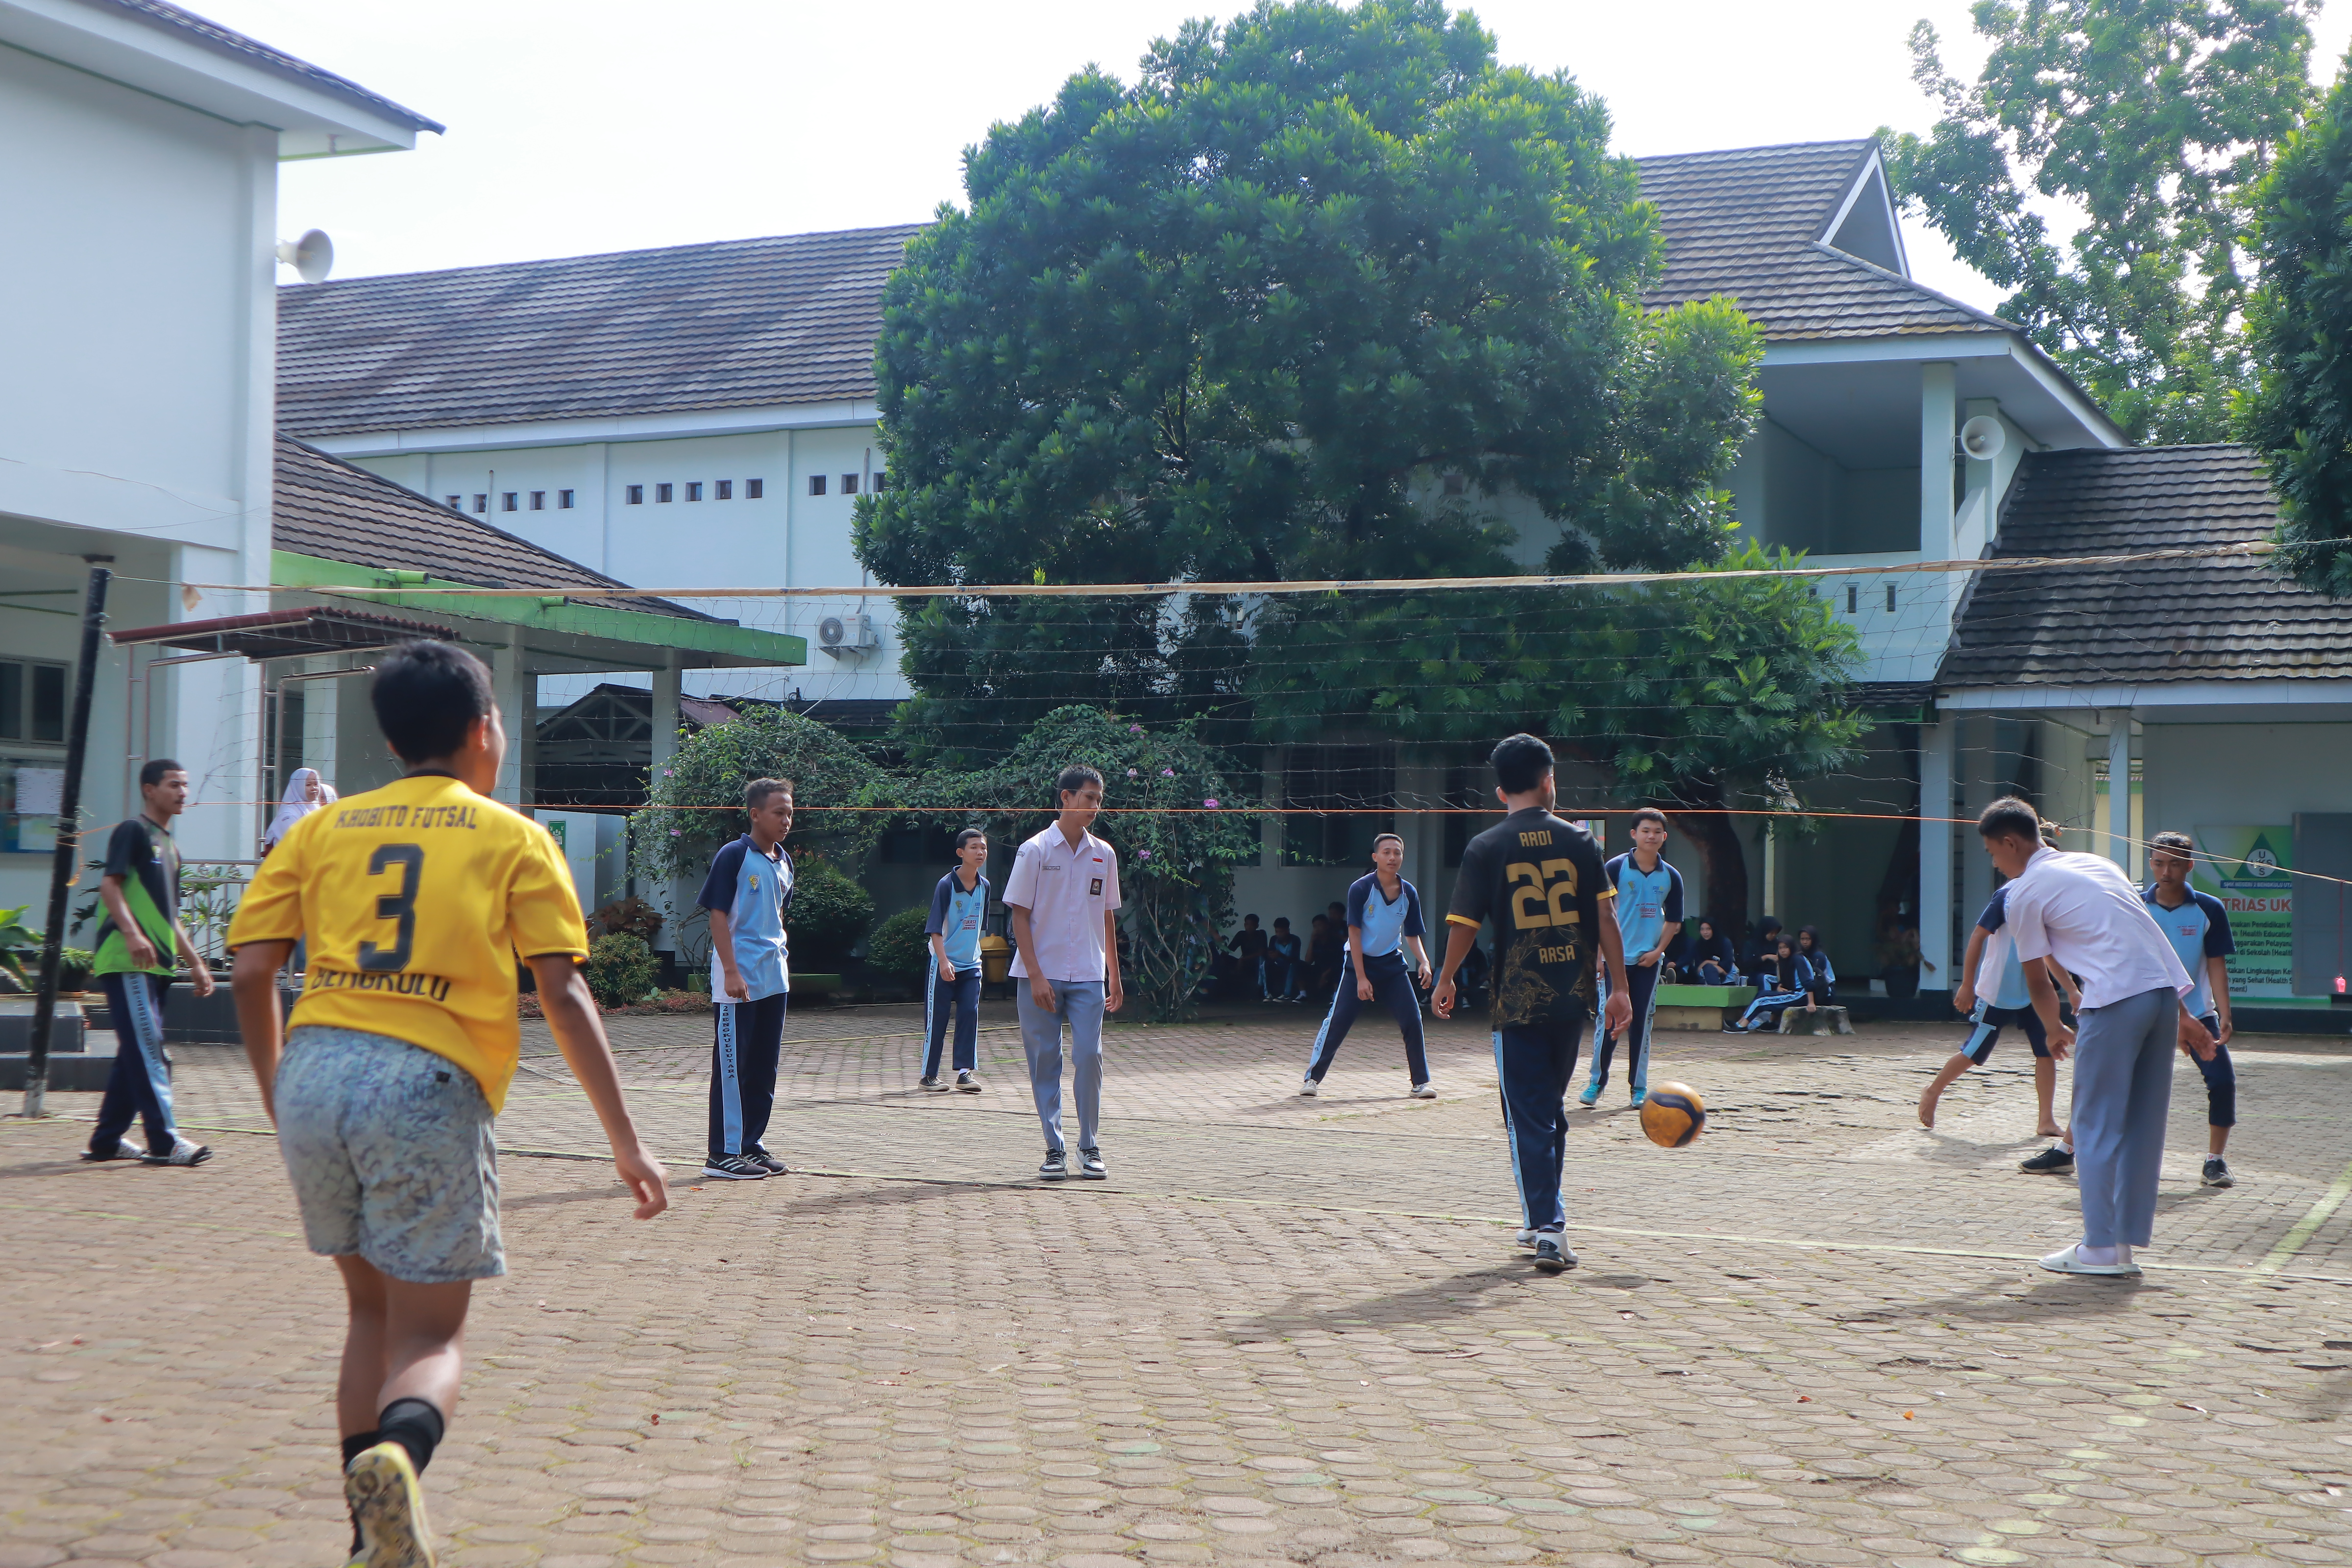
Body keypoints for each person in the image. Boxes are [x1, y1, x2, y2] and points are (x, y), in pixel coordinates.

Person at [225, 640, 667, 1568]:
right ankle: (400, 1456)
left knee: (367, 1317)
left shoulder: (318, 829)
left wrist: (278, 1097)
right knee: (431, 1331)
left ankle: (367, 1537)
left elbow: (257, 967)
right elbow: (563, 993)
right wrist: (625, 1142)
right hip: (424, 1083)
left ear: (391, 744)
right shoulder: (514, 838)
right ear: (481, 733)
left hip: (313, 1074)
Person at [1975, 797, 2212, 1276]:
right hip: (2161, 998)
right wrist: (2185, 1012)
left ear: (2010, 842)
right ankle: (2120, 1245)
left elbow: (2038, 980)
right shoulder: (2097, 863)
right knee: (2142, 1122)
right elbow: (2151, 935)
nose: (1995, 863)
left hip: (2115, 1001)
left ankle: (2100, 1247)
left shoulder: (2022, 892)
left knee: (2094, 1123)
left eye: (1992, 853)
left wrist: (2052, 1027)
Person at [1433, 734, 1629, 1275]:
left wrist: (1445, 978)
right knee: (1549, 1113)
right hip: (1572, 996)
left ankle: (1549, 1228)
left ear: (1500, 792)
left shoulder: (1486, 846)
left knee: (1529, 1117)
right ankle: (1543, 1216)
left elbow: (1464, 926)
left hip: (1517, 1000)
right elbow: (1606, 921)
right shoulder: (1583, 841)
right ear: (1550, 781)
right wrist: (1620, 988)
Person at [2023, 832, 2242, 1187]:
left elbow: (2216, 964)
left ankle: (2215, 1161)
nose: (2166, 871)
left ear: (2189, 865)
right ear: (2151, 864)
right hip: (2141, 1007)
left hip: (2197, 1013)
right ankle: (2066, 1151)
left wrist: (2225, 1013)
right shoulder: (2133, 903)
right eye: (2158, 863)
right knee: (2102, 1080)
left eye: (2174, 863)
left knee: (2222, 1080)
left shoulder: (2209, 908)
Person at [80, 758, 214, 1168]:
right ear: (149, 789)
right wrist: (133, 934)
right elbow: (110, 887)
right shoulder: (133, 832)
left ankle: (106, 1140)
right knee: (151, 1052)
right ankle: (164, 1142)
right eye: (174, 784)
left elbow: (169, 915)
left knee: (135, 1052)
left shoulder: (172, 848)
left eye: (186, 785)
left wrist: (195, 962)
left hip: (158, 968)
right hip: (128, 962)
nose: (182, 792)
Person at [1004, 763, 1125, 1181]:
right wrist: (1035, 975)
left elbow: (1107, 916)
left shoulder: (1103, 853)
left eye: (1099, 799)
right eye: (1089, 798)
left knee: (1090, 1055)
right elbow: (1020, 916)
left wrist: (1114, 974)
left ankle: (1088, 1145)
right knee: (1045, 1062)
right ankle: (1053, 1148)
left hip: (1089, 974)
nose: (1096, 806)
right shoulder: (1034, 850)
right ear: (1066, 798)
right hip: (1041, 973)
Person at [1917, 885, 2080, 1134]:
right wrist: (1968, 985)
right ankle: (1934, 1090)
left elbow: (2049, 954)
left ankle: (2046, 1120)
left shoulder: (2050, 899)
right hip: (1996, 990)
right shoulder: (2008, 895)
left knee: (2046, 1050)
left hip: (2034, 992)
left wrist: (2071, 989)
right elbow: (1978, 937)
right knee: (1975, 1050)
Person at [697, 778, 796, 1180]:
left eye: (790, 812)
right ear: (755, 814)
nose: (787, 820)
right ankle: (721, 1154)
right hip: (737, 981)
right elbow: (717, 915)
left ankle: (749, 1144)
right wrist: (732, 971)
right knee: (733, 1068)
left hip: (774, 979)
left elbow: (776, 916)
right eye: (779, 812)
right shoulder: (734, 855)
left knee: (763, 1067)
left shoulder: (784, 861)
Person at [1299, 833, 1436, 1099]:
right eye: (1386, 852)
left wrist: (1424, 962)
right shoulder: (1361, 889)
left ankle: (1421, 1083)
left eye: (1397, 853)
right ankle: (1312, 1079)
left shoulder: (1409, 892)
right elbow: (1355, 933)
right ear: (1376, 858)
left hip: (1392, 964)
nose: (1392, 857)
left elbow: (1411, 934)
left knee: (1412, 1019)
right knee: (1337, 1022)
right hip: (1358, 964)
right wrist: (1361, 977)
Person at [1583, 809, 1683, 1108]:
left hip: (1648, 963)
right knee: (1609, 1019)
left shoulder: (1671, 876)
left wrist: (1657, 952)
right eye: (1645, 831)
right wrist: (1600, 957)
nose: (1651, 836)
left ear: (1664, 838)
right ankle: (1596, 1083)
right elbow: (1601, 915)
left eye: (1656, 832)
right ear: (1634, 835)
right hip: (1615, 960)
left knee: (1641, 1021)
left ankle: (1638, 1088)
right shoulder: (1615, 868)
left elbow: (1674, 922)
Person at [919, 828, 990, 1093]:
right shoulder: (946, 885)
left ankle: (965, 1073)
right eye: (974, 847)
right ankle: (929, 1076)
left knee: (969, 1015)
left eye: (983, 847)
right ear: (961, 853)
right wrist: (944, 960)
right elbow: (935, 929)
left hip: (971, 965)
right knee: (938, 1018)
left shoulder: (985, 886)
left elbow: (977, 927)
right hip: (943, 964)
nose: (980, 852)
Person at [1725, 936, 1818, 1033]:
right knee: (1761, 994)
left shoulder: (1798, 958)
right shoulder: (1788, 961)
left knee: (1761, 1001)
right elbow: (1787, 980)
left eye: (1786, 947)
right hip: (1794, 993)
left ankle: (1742, 1026)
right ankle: (1739, 1023)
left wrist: (1811, 1003)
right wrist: (1779, 986)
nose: (1783, 951)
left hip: (1801, 995)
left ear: (1791, 947)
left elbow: (1808, 982)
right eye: (1780, 948)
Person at [263, 766, 337, 854]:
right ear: (298, 787)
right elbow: (296, 844)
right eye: (308, 785)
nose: (314, 788)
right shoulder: (288, 815)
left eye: (316, 784)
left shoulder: (315, 809)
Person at [1678, 918, 1736, 985]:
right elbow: (1698, 967)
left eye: (1708, 929)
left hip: (1727, 979)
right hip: (1705, 976)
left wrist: (1707, 962)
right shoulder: (1699, 944)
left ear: (1714, 929)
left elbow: (1727, 965)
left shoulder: (1725, 943)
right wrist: (1714, 965)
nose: (1705, 932)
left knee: (1709, 968)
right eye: (1702, 929)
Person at [1227, 914, 1270, 1000]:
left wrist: (1243, 959)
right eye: (1247, 924)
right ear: (1244, 925)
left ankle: (1259, 990)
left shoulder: (1261, 934)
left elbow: (1262, 953)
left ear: (1257, 926)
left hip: (1257, 962)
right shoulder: (1241, 935)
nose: (1249, 927)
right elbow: (1229, 950)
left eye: (1252, 925)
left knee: (1260, 961)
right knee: (1225, 960)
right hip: (1245, 962)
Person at [1265, 916, 1305, 1002]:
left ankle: (1287, 995)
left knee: (1293, 965)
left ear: (1288, 931)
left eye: (1281, 932)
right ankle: (1269, 993)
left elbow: (1295, 958)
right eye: (1277, 932)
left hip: (1290, 964)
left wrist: (1280, 955)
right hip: (1278, 964)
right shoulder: (1274, 939)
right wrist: (1271, 955)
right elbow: (1271, 954)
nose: (1279, 934)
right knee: (1266, 964)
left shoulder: (1295, 940)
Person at [1742, 915, 1786, 988]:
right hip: (1757, 975)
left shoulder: (1777, 943)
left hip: (1775, 974)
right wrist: (1765, 958)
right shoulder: (1751, 944)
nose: (1774, 935)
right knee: (1762, 978)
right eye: (1771, 933)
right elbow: (1746, 964)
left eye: (1776, 933)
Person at [1795, 926, 1837, 1002]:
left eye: (1808, 939)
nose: (1805, 942)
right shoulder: (1800, 955)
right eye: (1802, 939)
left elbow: (1817, 978)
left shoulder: (1819, 956)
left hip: (1825, 991)